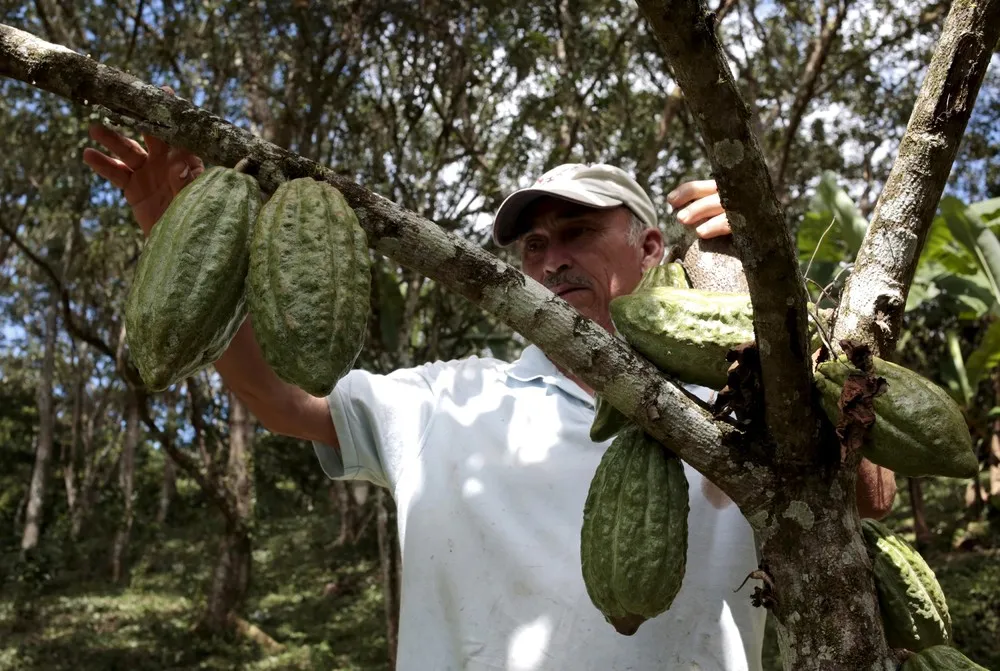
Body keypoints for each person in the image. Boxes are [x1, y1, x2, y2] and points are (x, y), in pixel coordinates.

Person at [83, 122, 895, 671]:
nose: (551, 259)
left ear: (651, 245)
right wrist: (177, 235)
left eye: (577, 231)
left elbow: (865, 499)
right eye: (532, 245)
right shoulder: (451, 399)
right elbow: (279, 399)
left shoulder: (741, 394)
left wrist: (781, 318)